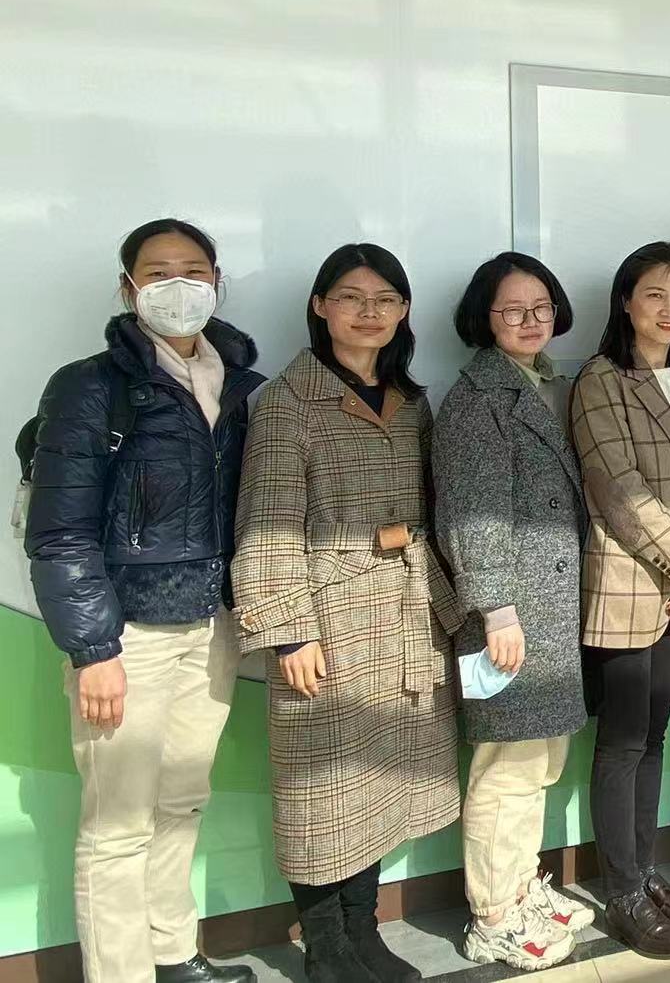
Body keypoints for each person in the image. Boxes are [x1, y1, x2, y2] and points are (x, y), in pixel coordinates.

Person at [27, 219, 262, 983]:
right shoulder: (90, 387)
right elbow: (59, 534)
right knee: (118, 827)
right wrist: (94, 650)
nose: (178, 286)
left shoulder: (242, 387)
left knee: (182, 804)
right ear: (128, 288)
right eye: (158, 273)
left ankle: (173, 956)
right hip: (129, 636)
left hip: (212, 627)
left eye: (194, 270)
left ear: (218, 281)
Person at [232, 244, 462, 983]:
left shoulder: (410, 401)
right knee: (320, 788)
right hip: (326, 619)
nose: (370, 313)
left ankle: (364, 933)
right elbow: (265, 521)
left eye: (386, 299)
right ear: (319, 306)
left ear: (404, 311)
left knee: (378, 783)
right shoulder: (287, 402)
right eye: (352, 298)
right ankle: (327, 950)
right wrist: (288, 631)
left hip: (403, 615)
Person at [433, 252, 595, 971]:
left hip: (545, 612)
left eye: (541, 307)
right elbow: (471, 513)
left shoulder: (541, 382)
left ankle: (521, 887)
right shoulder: (479, 399)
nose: (531, 321)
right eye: (511, 310)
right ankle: (493, 915)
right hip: (506, 616)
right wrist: (497, 610)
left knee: (539, 762)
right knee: (506, 767)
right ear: (483, 317)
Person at [570, 242, 670, 959]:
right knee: (623, 741)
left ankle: (644, 870)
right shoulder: (600, 379)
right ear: (625, 301)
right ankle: (622, 894)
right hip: (627, 584)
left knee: (656, 736)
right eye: (655, 294)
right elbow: (618, 488)